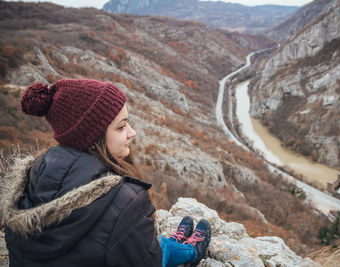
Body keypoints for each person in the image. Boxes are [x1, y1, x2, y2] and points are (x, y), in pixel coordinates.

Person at [0, 79, 211, 267]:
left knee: (137, 240)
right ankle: (190, 250)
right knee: (158, 248)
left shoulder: (30, 177)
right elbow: (150, 261)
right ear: (92, 139)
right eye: (121, 127)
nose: (132, 132)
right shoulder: (126, 202)